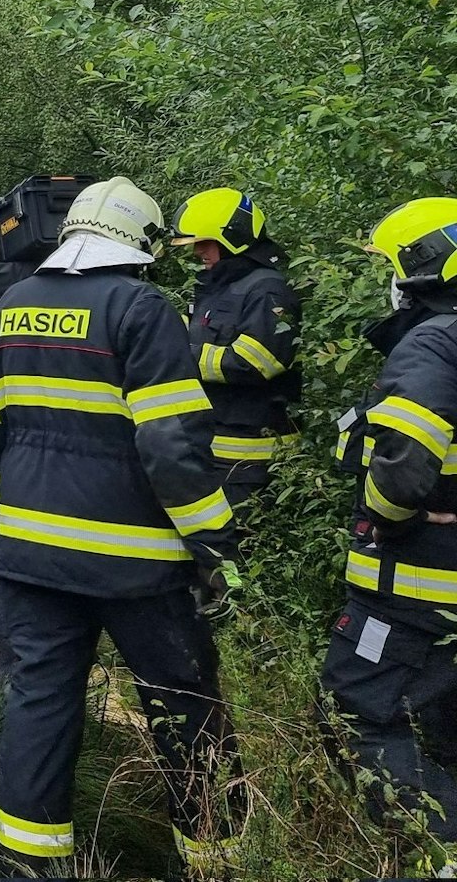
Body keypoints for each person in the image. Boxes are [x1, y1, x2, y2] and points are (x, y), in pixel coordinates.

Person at [0, 176, 244, 873]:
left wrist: (19, 508)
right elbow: (172, 450)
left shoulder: (11, 307)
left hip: (31, 564)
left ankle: (29, 866)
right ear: (140, 244)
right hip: (137, 570)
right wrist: (215, 548)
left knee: (41, 707)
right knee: (184, 705)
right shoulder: (142, 310)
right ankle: (214, 858)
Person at [323, 197, 457, 868]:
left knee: (358, 714)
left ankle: (446, 853)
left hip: (415, 587)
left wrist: (385, 512)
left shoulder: (435, 340)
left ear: (420, 268)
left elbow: (404, 470)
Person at [172, 188, 301, 519]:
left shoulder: (267, 289)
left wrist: (180, 357)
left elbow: (257, 362)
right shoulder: (214, 287)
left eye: (205, 242)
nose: (198, 251)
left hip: (251, 460)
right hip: (209, 449)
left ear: (233, 238)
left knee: (240, 551)